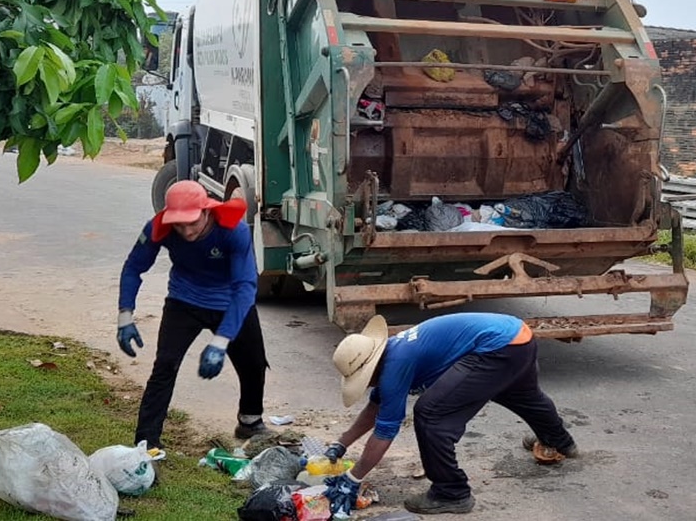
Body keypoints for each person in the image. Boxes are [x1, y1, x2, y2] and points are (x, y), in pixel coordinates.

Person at [322, 312, 578, 515]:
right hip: (516, 336)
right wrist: (341, 444)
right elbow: (374, 409)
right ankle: (560, 441)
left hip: (496, 347)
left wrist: (352, 477)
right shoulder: (392, 353)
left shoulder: (393, 368)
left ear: (371, 368)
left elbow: (386, 429)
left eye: (364, 379)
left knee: (431, 415)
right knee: (522, 395)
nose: (367, 384)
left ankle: (451, 492)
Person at [116, 180, 269, 448]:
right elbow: (133, 268)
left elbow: (245, 287)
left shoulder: (234, 230)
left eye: (193, 222)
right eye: (180, 224)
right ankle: (146, 441)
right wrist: (125, 315)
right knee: (165, 366)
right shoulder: (158, 228)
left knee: (253, 363)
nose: (186, 231)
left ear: (207, 211)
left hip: (230, 301)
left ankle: (249, 421)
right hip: (184, 300)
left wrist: (221, 341)